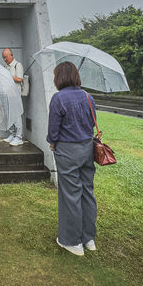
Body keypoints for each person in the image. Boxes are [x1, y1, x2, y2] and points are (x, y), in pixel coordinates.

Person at [47, 62, 98, 257]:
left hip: (67, 150)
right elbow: (92, 122)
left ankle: (72, 241)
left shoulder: (58, 98)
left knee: (70, 195)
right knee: (87, 191)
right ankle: (88, 238)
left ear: (59, 77)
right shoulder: (88, 96)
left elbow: (53, 130)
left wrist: (52, 143)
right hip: (87, 148)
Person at [2, 48, 25, 146]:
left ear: (11, 55)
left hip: (15, 95)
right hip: (7, 94)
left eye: (6, 57)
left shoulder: (17, 65)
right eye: (3, 58)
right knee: (8, 115)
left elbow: (19, 79)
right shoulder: (6, 66)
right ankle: (13, 134)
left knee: (16, 115)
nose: (5, 59)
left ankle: (19, 137)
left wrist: (8, 77)